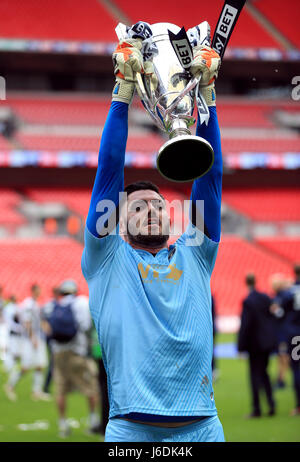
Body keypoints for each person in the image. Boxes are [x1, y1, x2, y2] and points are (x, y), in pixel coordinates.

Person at [81, 30, 224, 442]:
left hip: (203, 428)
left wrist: (209, 99)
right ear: (118, 224)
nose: (150, 211)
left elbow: (209, 177)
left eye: (157, 205)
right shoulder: (108, 260)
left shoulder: (195, 253)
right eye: (138, 208)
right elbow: (109, 172)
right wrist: (122, 92)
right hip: (130, 431)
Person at [42, 280, 100, 438]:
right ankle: (93, 419)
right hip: (77, 350)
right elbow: (86, 325)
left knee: (60, 389)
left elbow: (47, 329)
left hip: (58, 352)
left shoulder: (52, 305)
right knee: (91, 385)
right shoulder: (81, 303)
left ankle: (63, 424)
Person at [238, 273, 277, 418]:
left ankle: (257, 409)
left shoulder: (248, 301)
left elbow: (246, 325)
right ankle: (271, 404)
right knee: (265, 373)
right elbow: (272, 317)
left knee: (254, 375)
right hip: (266, 342)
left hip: (254, 344)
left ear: (246, 283)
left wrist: (241, 346)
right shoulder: (265, 297)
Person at [8, 284, 50, 401]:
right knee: (25, 367)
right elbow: (27, 322)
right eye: (37, 290)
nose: (39, 292)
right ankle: (10, 385)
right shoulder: (29, 304)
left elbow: (39, 321)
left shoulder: (35, 304)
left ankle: (36, 391)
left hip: (37, 337)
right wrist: (32, 338)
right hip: (30, 340)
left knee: (40, 365)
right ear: (33, 291)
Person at [273, 264, 300, 416]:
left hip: (295, 334)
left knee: (296, 367)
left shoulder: (289, 292)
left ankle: (298, 405)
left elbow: (280, 312)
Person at [270, 274, 292, 389]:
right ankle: (280, 377)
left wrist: (276, 310)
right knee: (281, 355)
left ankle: (282, 378)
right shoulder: (277, 296)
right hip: (279, 331)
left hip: (284, 331)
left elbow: (284, 313)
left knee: (284, 355)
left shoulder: (284, 296)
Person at [3, 295, 23, 401]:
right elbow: (10, 323)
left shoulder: (17, 307)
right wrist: (20, 328)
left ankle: (10, 383)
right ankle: (10, 384)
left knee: (18, 358)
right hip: (13, 335)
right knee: (16, 358)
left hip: (18, 336)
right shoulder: (9, 308)